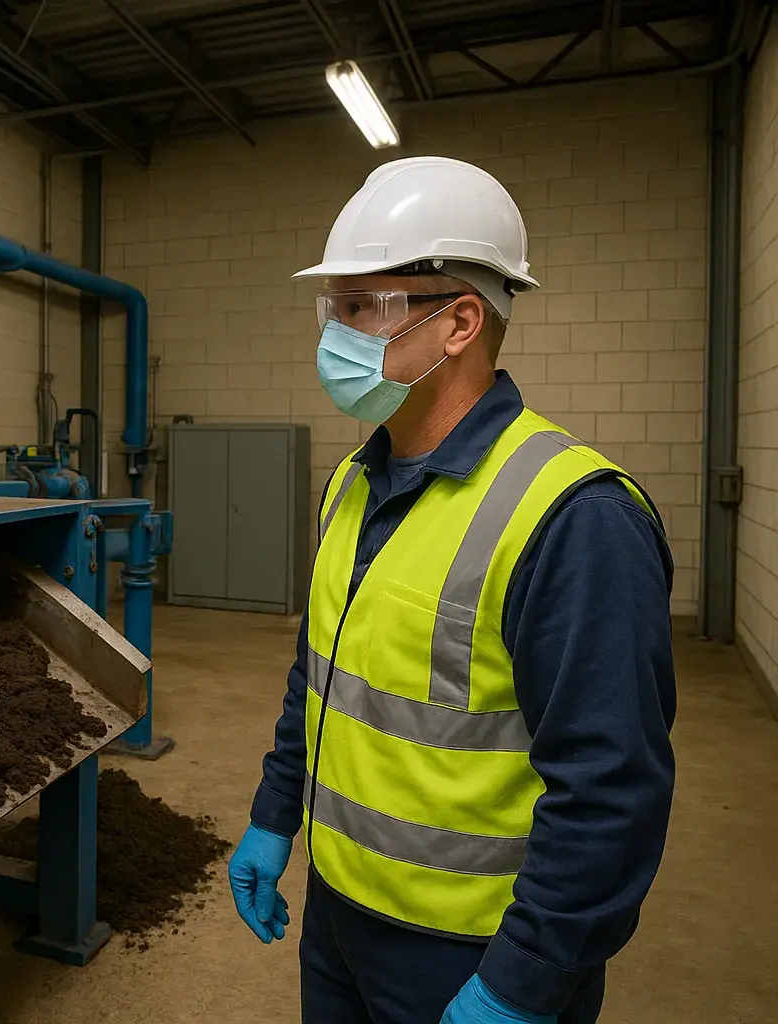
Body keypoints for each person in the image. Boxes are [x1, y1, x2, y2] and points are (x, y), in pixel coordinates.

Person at [225, 156, 676, 1024]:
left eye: (362, 307)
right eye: (335, 308)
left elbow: (612, 789)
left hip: (470, 954)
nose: (336, 335)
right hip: (339, 915)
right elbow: (320, 675)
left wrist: (525, 982)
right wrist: (276, 814)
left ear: (460, 321)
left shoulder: (574, 518)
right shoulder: (354, 482)